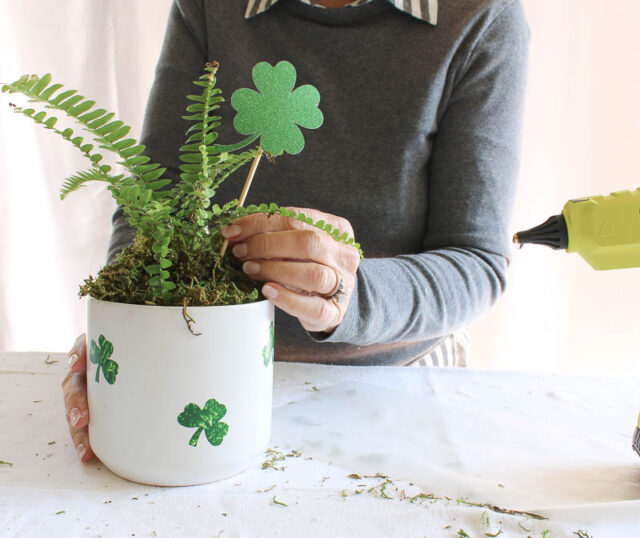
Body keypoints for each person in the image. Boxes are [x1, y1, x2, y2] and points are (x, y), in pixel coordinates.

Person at [62, 0, 530, 462]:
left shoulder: (479, 14)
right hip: (203, 369)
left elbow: (477, 261)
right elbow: (153, 200)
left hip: (398, 382)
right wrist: (129, 330)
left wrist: (351, 293)